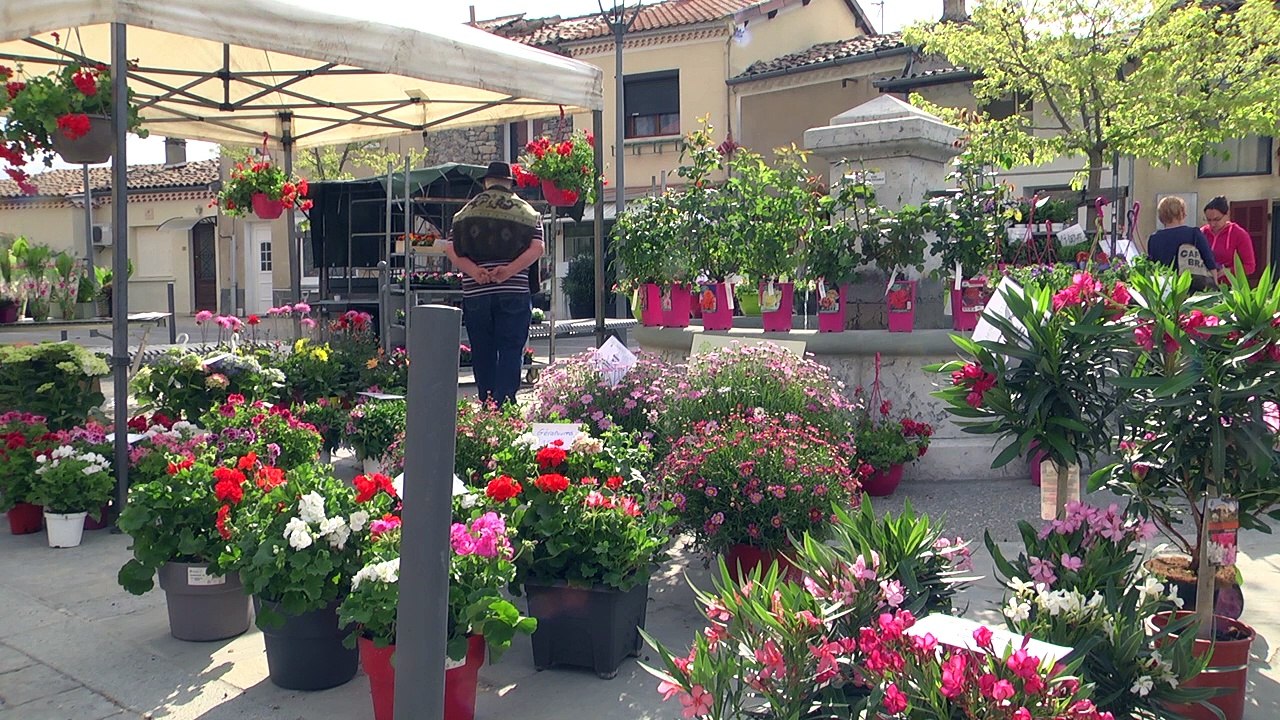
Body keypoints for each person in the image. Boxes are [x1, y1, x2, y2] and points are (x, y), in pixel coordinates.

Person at [444, 161, 544, 406]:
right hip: (513, 288)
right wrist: (508, 270)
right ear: (510, 183)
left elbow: (450, 248)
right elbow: (537, 248)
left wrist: (475, 272)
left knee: (482, 350)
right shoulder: (528, 212)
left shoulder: (464, 214)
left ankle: (487, 402)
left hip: (476, 291)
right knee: (511, 348)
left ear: (486, 183)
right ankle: (505, 404)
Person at [1147, 195, 1218, 291]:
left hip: (1166, 290)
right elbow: (1209, 262)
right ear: (1182, 213)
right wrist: (1215, 286)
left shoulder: (1154, 239)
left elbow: (1153, 266)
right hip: (1192, 290)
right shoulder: (1194, 234)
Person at [1201, 196, 1256, 282]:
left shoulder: (1239, 234)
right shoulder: (1202, 233)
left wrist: (1227, 271)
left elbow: (1250, 266)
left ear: (1227, 214)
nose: (1212, 224)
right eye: (1208, 220)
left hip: (1230, 287)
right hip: (1205, 286)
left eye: (1217, 219)